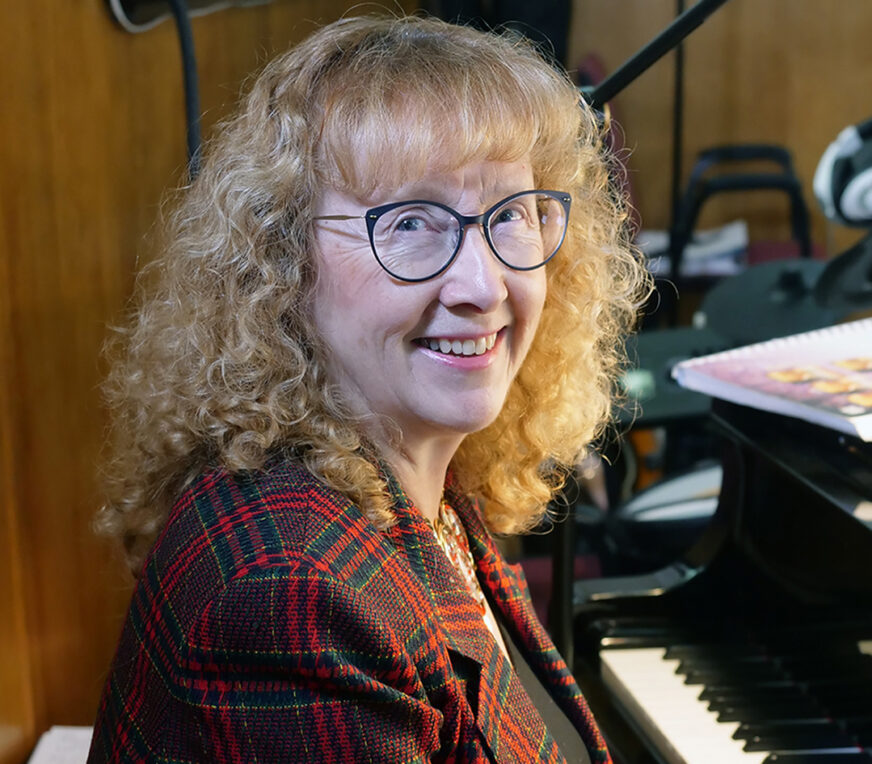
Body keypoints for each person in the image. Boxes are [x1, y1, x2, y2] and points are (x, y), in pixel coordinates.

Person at [88, 13, 649, 763]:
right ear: (284, 264)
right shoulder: (289, 593)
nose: (484, 285)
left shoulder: (416, 483)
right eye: (413, 221)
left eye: (510, 214)